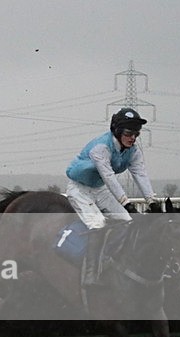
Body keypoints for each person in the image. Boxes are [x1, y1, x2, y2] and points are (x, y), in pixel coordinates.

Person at [66, 107, 160, 286]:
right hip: (79, 189)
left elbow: (140, 174)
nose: (133, 138)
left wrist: (152, 201)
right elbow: (109, 177)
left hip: (99, 189)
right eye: (129, 133)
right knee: (98, 224)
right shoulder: (101, 148)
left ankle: (112, 260)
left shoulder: (133, 151)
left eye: (136, 134)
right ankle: (91, 273)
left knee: (127, 221)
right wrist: (127, 203)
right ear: (117, 131)